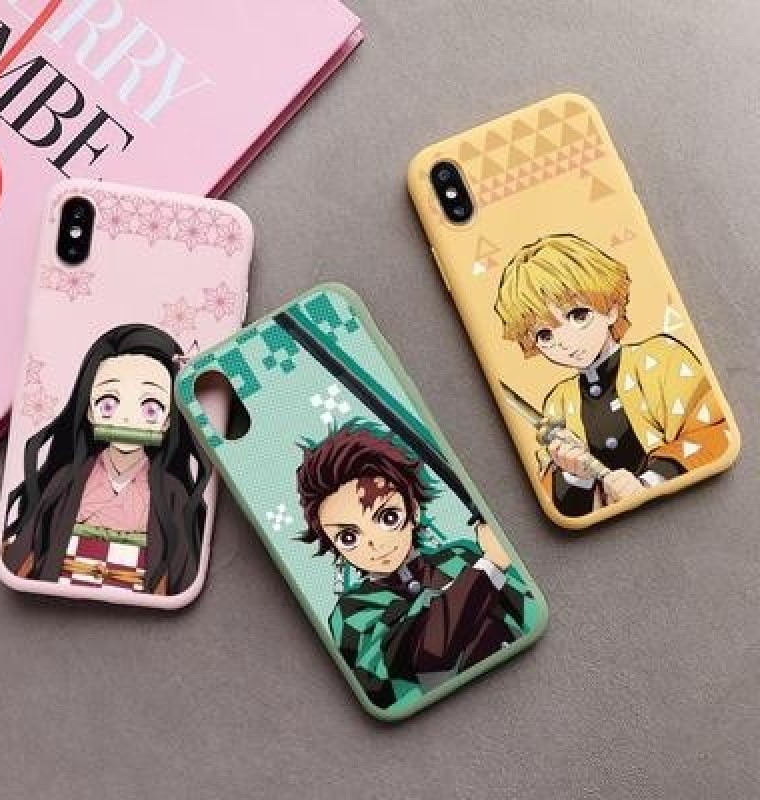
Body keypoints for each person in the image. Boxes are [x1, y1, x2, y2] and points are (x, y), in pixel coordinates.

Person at [296, 421, 532, 709]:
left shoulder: (460, 556)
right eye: (349, 537)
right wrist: (490, 567)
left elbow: (528, 611)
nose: (375, 543)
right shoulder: (351, 612)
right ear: (335, 548)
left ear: (414, 510)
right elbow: (426, 653)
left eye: (388, 518)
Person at [494, 234, 729, 517]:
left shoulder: (661, 359)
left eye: (578, 316)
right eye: (545, 335)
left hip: (693, 509)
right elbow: (557, 503)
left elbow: (713, 431)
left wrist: (650, 481)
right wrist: (575, 476)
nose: (564, 341)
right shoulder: (559, 402)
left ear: (611, 309)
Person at [2, 324, 211, 595]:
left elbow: (183, 575)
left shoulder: (171, 493)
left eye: (151, 408)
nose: (127, 419)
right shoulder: (67, 480)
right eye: (109, 404)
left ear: (168, 420)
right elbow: (26, 550)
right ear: (90, 411)